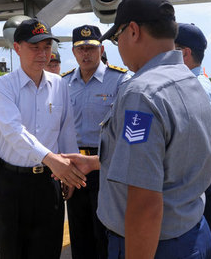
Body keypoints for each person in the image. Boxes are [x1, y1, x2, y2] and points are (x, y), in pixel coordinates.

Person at [63, 0, 211, 258]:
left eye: (117, 37)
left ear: (132, 31)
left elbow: (144, 201)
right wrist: (97, 162)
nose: (118, 46)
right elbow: (164, 159)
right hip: (192, 232)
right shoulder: (192, 82)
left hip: (154, 245)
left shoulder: (141, 94)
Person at [0, 17, 86, 259]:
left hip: (47, 184)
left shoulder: (59, 84)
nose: (43, 54)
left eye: (47, 47)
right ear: (17, 48)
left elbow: (66, 129)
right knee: (10, 252)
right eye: (35, 47)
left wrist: (69, 171)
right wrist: (51, 159)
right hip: (9, 183)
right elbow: (13, 130)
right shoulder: (2, 85)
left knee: (47, 250)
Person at [62, 25, 129, 259]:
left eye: (91, 48)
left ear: (101, 49)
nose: (86, 54)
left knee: (105, 231)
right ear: (73, 52)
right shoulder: (64, 83)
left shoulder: (120, 80)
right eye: (80, 49)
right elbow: (61, 128)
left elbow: (124, 130)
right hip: (73, 167)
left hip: (104, 165)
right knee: (79, 232)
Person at [176, 22, 211, 258]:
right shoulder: (192, 85)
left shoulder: (196, 90)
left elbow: (198, 151)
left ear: (184, 53)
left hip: (204, 187)